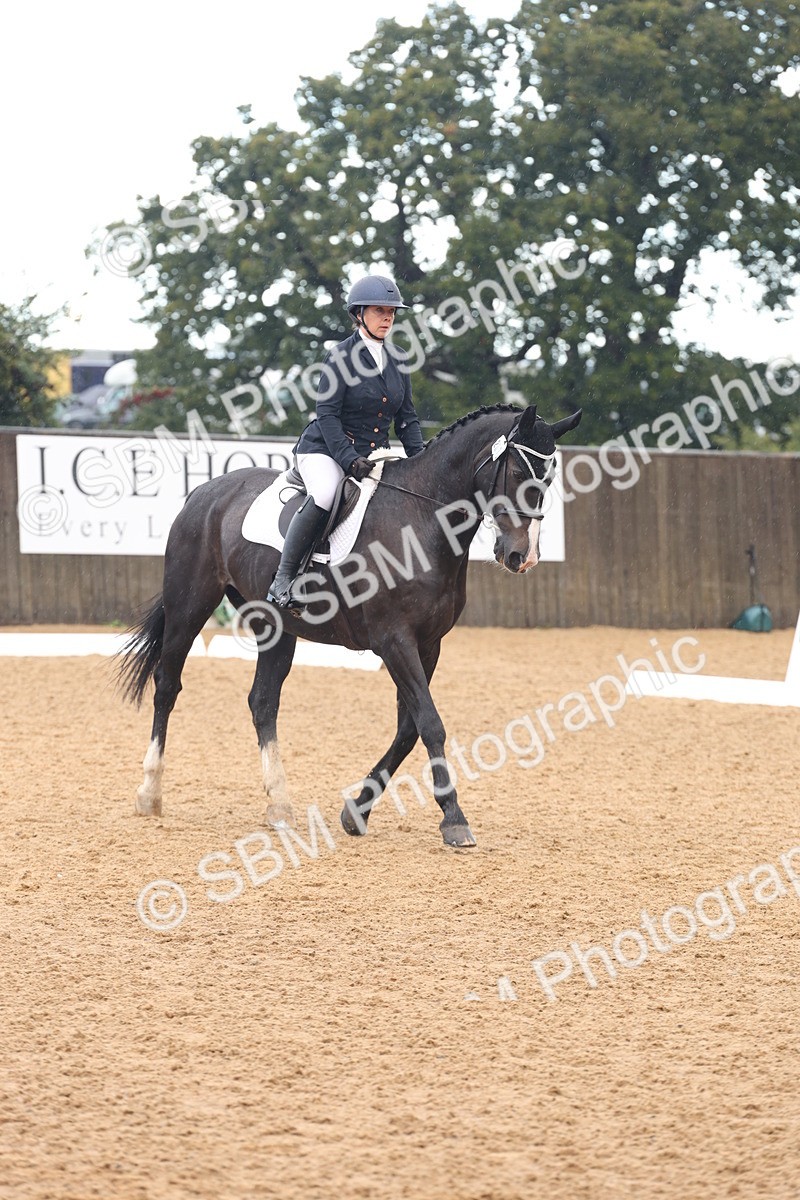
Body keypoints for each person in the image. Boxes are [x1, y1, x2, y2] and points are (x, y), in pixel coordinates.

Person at [267, 274, 425, 609]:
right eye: (380, 310)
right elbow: (327, 415)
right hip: (326, 449)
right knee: (325, 493)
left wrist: (421, 461)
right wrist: (347, 459)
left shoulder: (399, 358)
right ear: (359, 313)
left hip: (374, 454)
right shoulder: (340, 356)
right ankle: (283, 579)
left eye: (392, 312)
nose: (388, 317)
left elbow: (407, 419)